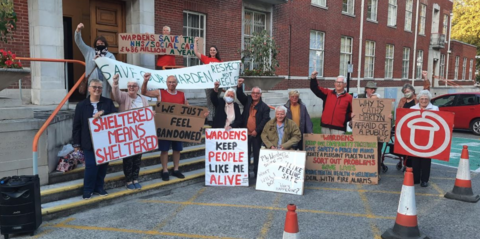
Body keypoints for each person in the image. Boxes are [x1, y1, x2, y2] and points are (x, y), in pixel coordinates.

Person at [72, 79, 117, 200]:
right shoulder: (81, 105)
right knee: (91, 166)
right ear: (89, 89)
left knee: (103, 166)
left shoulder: (107, 102)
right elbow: (76, 126)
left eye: (99, 88)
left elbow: (115, 114)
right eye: (94, 87)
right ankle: (87, 189)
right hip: (88, 141)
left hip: (105, 141)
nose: (97, 89)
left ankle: (99, 187)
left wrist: (103, 112)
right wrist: (76, 144)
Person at [141, 73, 188, 181]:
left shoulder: (182, 95)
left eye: (173, 82)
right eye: (169, 82)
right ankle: (165, 170)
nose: (171, 84)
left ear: (176, 83)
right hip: (164, 126)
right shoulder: (160, 93)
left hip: (177, 126)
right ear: (166, 83)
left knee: (177, 149)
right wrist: (145, 81)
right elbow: (143, 92)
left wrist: (201, 115)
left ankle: (176, 169)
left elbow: (189, 110)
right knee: (164, 150)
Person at [111, 74, 149, 190]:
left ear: (138, 88)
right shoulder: (123, 96)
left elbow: (146, 113)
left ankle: (135, 178)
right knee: (128, 158)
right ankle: (128, 180)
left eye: (134, 86)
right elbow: (116, 94)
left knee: (137, 158)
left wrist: (150, 114)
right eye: (129, 86)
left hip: (139, 132)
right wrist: (115, 83)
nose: (131, 88)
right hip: (127, 133)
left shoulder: (143, 99)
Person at [236, 78, 270, 179]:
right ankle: (245, 174)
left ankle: (256, 174)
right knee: (245, 154)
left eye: (257, 93)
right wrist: (239, 86)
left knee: (256, 155)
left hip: (256, 135)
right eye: (253, 93)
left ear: (260, 94)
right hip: (245, 134)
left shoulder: (264, 107)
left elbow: (265, 120)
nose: (255, 95)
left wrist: (257, 130)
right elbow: (240, 96)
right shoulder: (247, 102)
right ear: (251, 94)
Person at [75, 23, 116, 98]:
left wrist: (102, 61)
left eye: (102, 43)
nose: (100, 45)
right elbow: (79, 43)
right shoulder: (89, 52)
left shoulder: (110, 55)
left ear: (105, 44)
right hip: (92, 83)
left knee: (104, 102)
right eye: (98, 43)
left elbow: (113, 68)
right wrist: (78, 30)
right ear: (95, 44)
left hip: (105, 85)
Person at [409, 90, 439, 187]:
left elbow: (439, 122)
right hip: (415, 137)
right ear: (418, 99)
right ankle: (416, 179)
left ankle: (424, 180)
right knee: (415, 159)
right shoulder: (412, 108)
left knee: (426, 160)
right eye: (422, 99)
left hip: (429, 138)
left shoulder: (435, 108)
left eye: (426, 99)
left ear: (429, 99)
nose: (424, 100)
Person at [194, 36, 222, 125]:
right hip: (208, 84)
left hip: (218, 85)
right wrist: (195, 42)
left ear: (216, 52)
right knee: (209, 101)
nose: (212, 51)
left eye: (214, 50)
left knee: (216, 100)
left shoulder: (220, 61)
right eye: (211, 50)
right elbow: (196, 52)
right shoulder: (206, 59)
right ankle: (210, 119)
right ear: (209, 52)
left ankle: (216, 117)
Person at [397, 83, 418, 169]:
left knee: (412, 145)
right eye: (405, 92)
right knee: (404, 145)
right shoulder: (402, 100)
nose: (406, 93)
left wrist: (425, 79)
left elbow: (426, 90)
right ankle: (405, 163)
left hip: (414, 125)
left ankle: (411, 164)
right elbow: (399, 111)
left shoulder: (417, 99)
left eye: (408, 91)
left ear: (413, 91)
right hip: (404, 125)